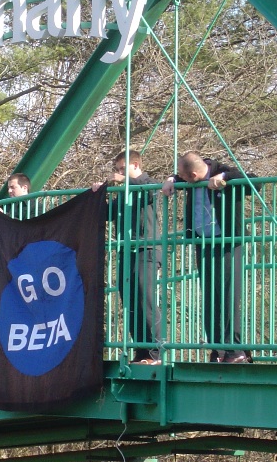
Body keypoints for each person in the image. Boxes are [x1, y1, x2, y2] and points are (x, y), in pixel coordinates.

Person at [161, 152, 256, 363]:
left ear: (194, 175)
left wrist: (225, 178)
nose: (181, 180)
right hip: (203, 243)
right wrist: (171, 179)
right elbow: (179, 176)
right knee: (210, 296)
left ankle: (234, 350)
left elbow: (255, 182)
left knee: (228, 295)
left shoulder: (223, 171)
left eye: (183, 178)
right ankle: (217, 349)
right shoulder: (189, 177)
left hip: (227, 242)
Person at [93, 150, 163, 365]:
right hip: (126, 250)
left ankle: (155, 352)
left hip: (146, 249)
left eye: (123, 169)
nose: (120, 173)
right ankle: (141, 351)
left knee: (145, 299)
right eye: (118, 170)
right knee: (130, 300)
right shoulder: (123, 191)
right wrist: (97, 195)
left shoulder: (149, 183)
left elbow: (149, 193)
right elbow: (107, 213)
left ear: (136, 165)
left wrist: (124, 181)